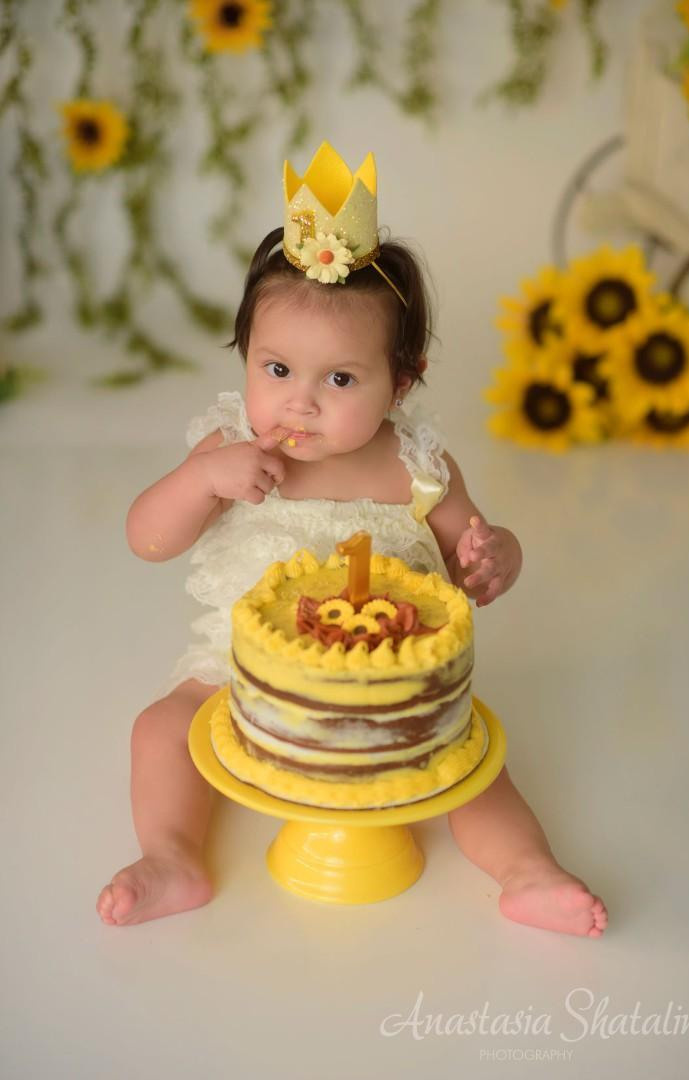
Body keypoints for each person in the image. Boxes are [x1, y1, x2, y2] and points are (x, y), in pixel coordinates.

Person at [97, 144, 607, 936]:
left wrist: (495, 554)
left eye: (338, 380)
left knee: (473, 766)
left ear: (400, 382)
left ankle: (527, 872)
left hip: (389, 696)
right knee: (160, 730)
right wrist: (201, 482)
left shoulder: (415, 467)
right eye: (275, 370)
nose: (298, 404)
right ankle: (172, 856)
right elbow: (148, 540)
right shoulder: (229, 448)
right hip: (241, 679)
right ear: (246, 359)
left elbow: (468, 561)